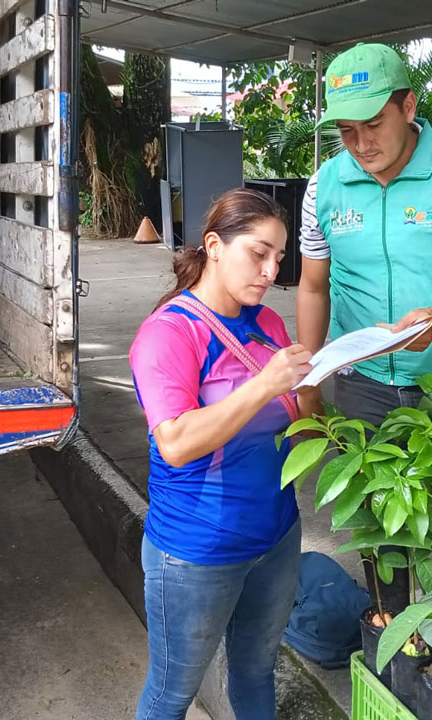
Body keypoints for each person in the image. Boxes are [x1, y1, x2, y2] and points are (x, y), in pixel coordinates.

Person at [128, 188, 319, 720]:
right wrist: (266, 385)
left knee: (257, 672)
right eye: (258, 253)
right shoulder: (169, 333)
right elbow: (176, 443)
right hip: (197, 550)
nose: (271, 271)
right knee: (171, 694)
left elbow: (302, 429)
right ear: (214, 246)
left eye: (279, 257)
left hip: (277, 536)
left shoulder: (268, 323)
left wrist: (316, 382)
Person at [297, 43, 432, 427]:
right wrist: (308, 379)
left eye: (374, 124)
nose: (361, 145)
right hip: (359, 382)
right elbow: (314, 287)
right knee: (362, 468)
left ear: (409, 107)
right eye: (346, 130)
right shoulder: (324, 186)